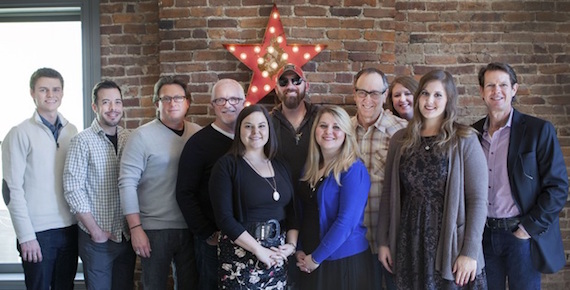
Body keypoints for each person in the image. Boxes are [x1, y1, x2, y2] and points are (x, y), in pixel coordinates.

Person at [378, 70, 488, 289]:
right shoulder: (401, 140)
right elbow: (389, 193)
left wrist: (470, 251)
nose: (429, 101)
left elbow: (477, 200)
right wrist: (383, 241)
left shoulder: (464, 139)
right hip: (409, 240)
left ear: (448, 100)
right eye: (425, 94)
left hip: (451, 243)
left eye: (438, 95)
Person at [472, 62, 568, 289]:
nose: (497, 91)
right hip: (484, 237)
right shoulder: (472, 134)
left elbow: (558, 187)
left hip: (521, 236)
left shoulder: (538, 130)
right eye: (491, 85)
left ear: (514, 89)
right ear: (481, 92)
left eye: (503, 84)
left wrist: (527, 229)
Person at [119, 76, 201, 289]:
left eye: (178, 98)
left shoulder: (197, 133)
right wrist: (135, 228)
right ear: (157, 103)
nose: (172, 103)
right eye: (166, 98)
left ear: (187, 102)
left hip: (191, 227)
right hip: (154, 230)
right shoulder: (141, 137)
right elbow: (127, 183)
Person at [2, 67, 79, 289]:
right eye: (43, 89)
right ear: (32, 93)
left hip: (69, 228)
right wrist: (26, 236)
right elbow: (11, 189)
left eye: (55, 89)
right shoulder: (19, 133)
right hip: (37, 232)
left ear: (62, 93)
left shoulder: (71, 130)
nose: (50, 95)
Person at [209, 104, 298, 289]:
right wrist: (258, 250)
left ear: (269, 129)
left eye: (261, 125)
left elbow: (293, 211)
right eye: (248, 126)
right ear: (239, 129)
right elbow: (224, 219)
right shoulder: (226, 166)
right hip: (241, 254)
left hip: (276, 255)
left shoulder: (281, 164)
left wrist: (291, 246)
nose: (255, 131)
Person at [63, 80, 135, 290]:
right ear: (95, 107)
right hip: (97, 240)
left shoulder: (129, 138)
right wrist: (96, 232)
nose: (113, 108)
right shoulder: (82, 141)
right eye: (106, 102)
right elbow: (73, 189)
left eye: (117, 102)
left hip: (125, 236)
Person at [176, 78, 246, 290]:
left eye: (234, 99)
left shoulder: (253, 138)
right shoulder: (199, 143)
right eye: (221, 100)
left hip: (248, 237)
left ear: (244, 102)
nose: (228, 105)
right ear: (212, 105)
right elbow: (184, 193)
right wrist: (207, 233)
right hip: (213, 240)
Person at [296, 105, 373, 290]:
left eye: (336, 127)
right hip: (309, 257)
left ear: (346, 132)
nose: (328, 131)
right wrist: (299, 248)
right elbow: (303, 212)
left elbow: (346, 222)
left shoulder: (354, 169)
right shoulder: (310, 168)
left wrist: (316, 258)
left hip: (341, 260)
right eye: (323, 125)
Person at [351, 68, 407, 290]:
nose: (367, 99)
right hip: (353, 240)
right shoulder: (340, 131)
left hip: (390, 238)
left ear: (385, 96)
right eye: (362, 92)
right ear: (354, 94)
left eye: (375, 93)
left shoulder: (403, 132)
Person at [271, 63, 319, 289]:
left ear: (305, 85)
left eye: (296, 80)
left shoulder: (322, 118)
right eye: (284, 81)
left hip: (316, 209)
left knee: (312, 275)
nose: (290, 86)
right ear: (276, 88)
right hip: (279, 212)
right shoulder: (267, 123)